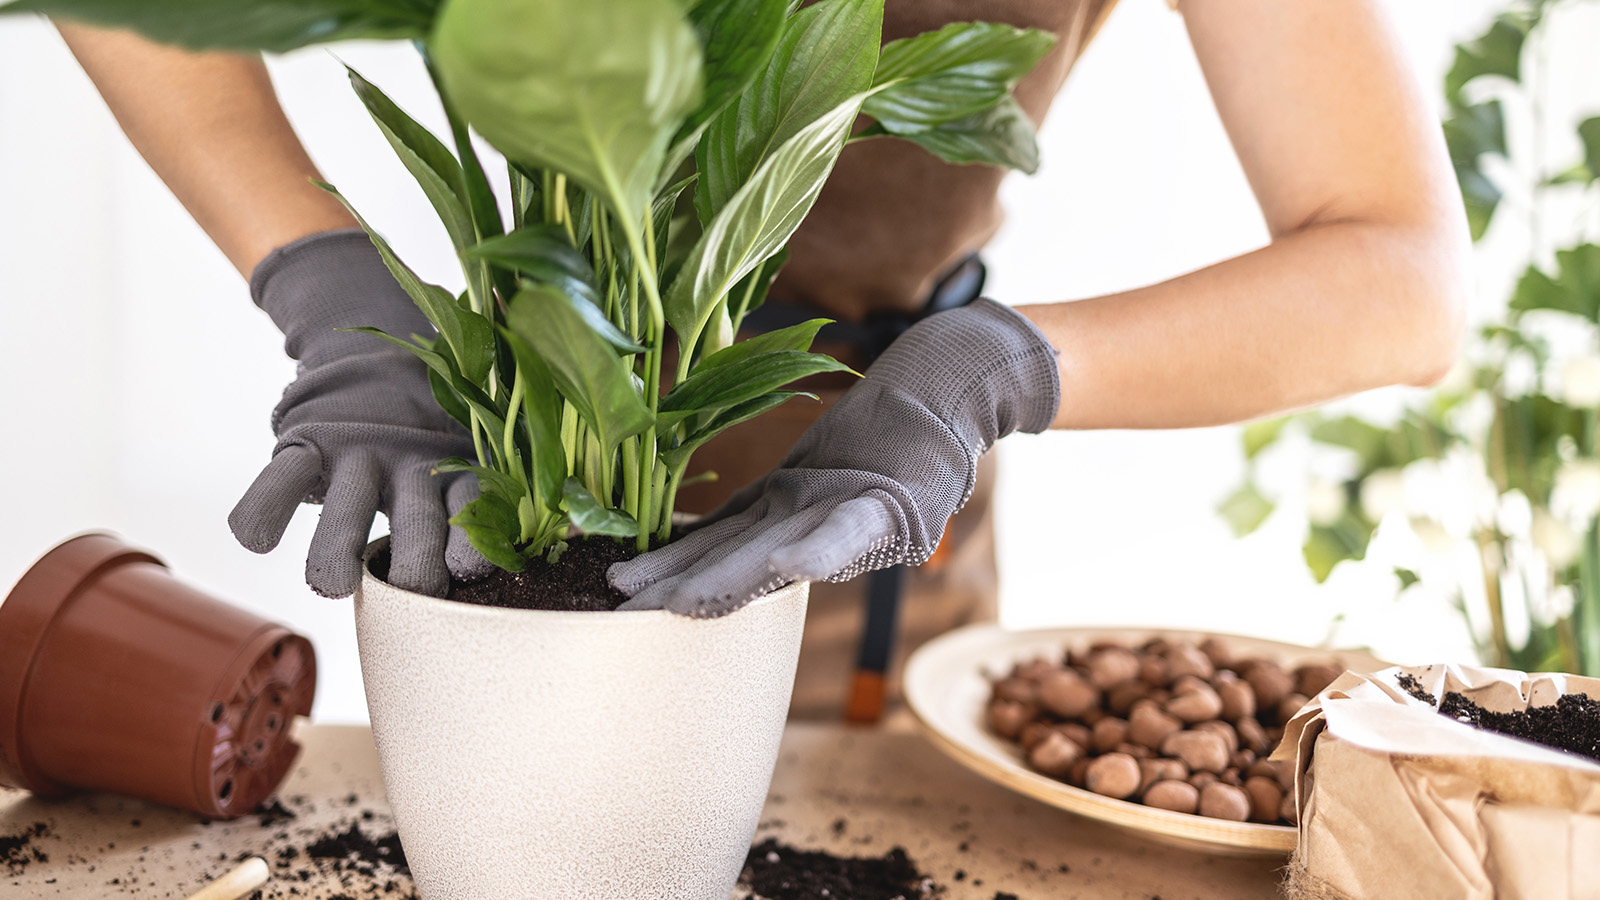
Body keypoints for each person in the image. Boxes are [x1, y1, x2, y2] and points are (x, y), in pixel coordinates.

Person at [53, 0, 1468, 720]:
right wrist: (323, 275)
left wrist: (991, 374)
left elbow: (1402, 277)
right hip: (518, 511)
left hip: (860, 526)